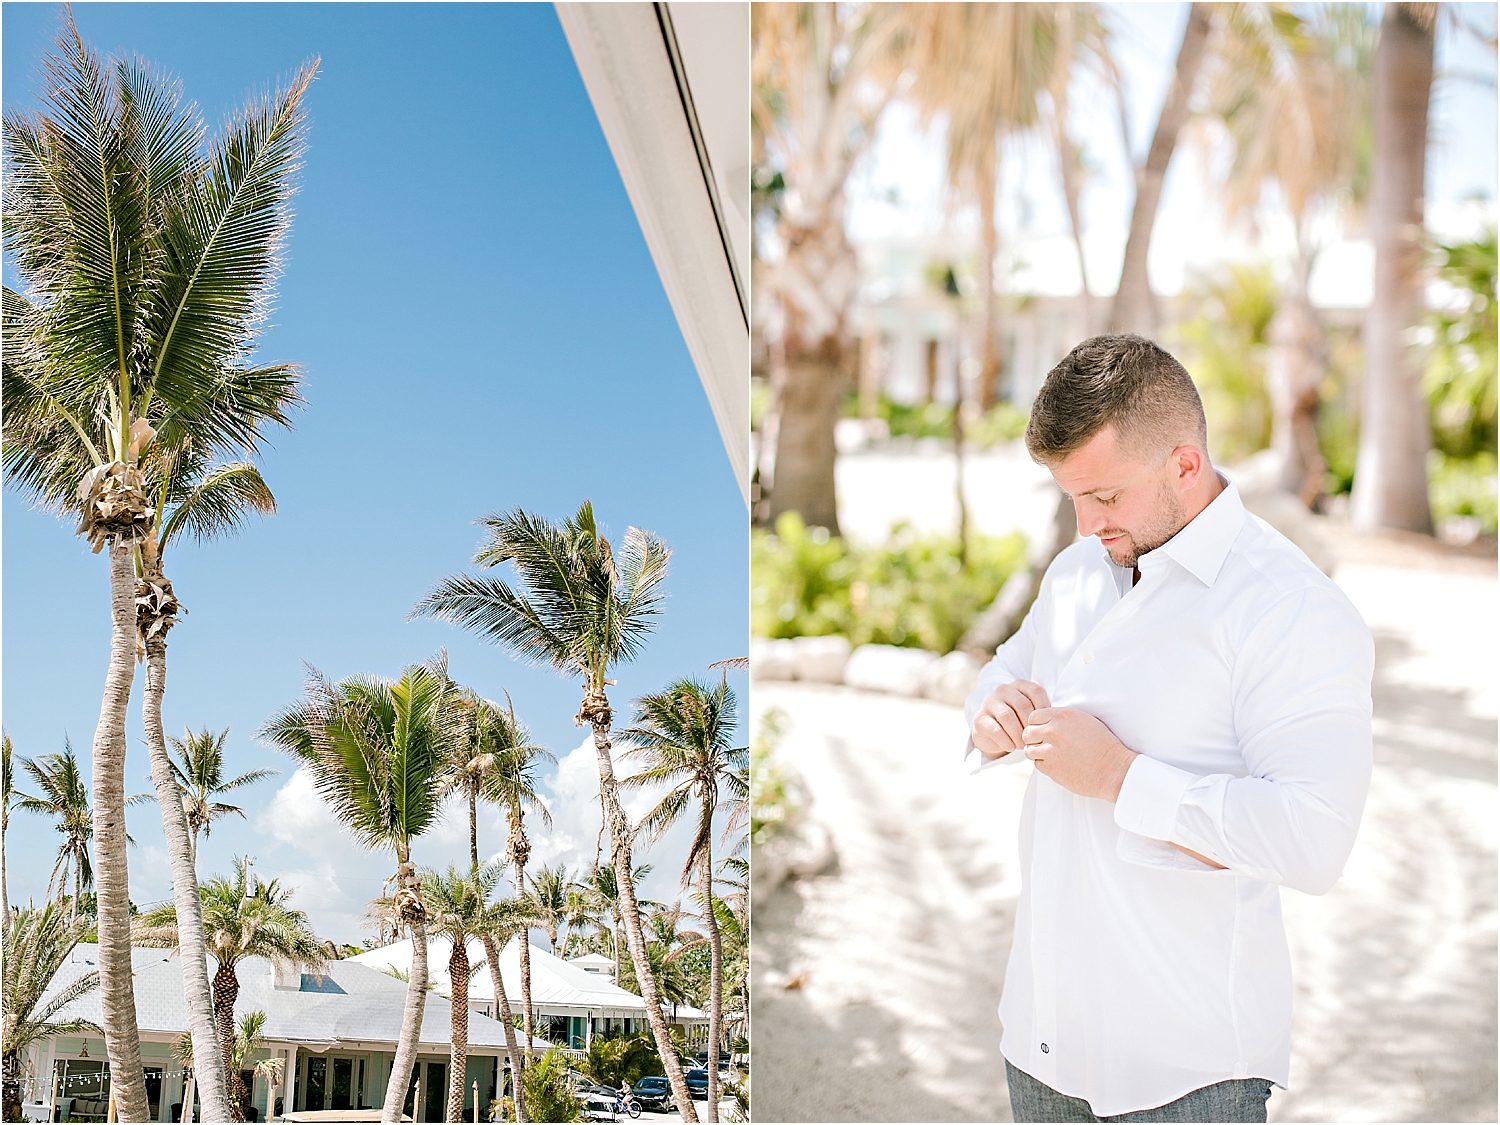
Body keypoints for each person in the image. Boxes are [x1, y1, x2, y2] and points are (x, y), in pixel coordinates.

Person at [965, 334, 1373, 1123]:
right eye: (1070, 498)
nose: (1085, 525)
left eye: (1106, 497)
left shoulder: (1292, 610)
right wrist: (991, 712)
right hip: (1040, 1040)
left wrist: (1120, 777)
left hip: (1186, 1070)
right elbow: (1007, 666)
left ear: (1186, 464)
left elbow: (1313, 838)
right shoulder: (1077, 572)